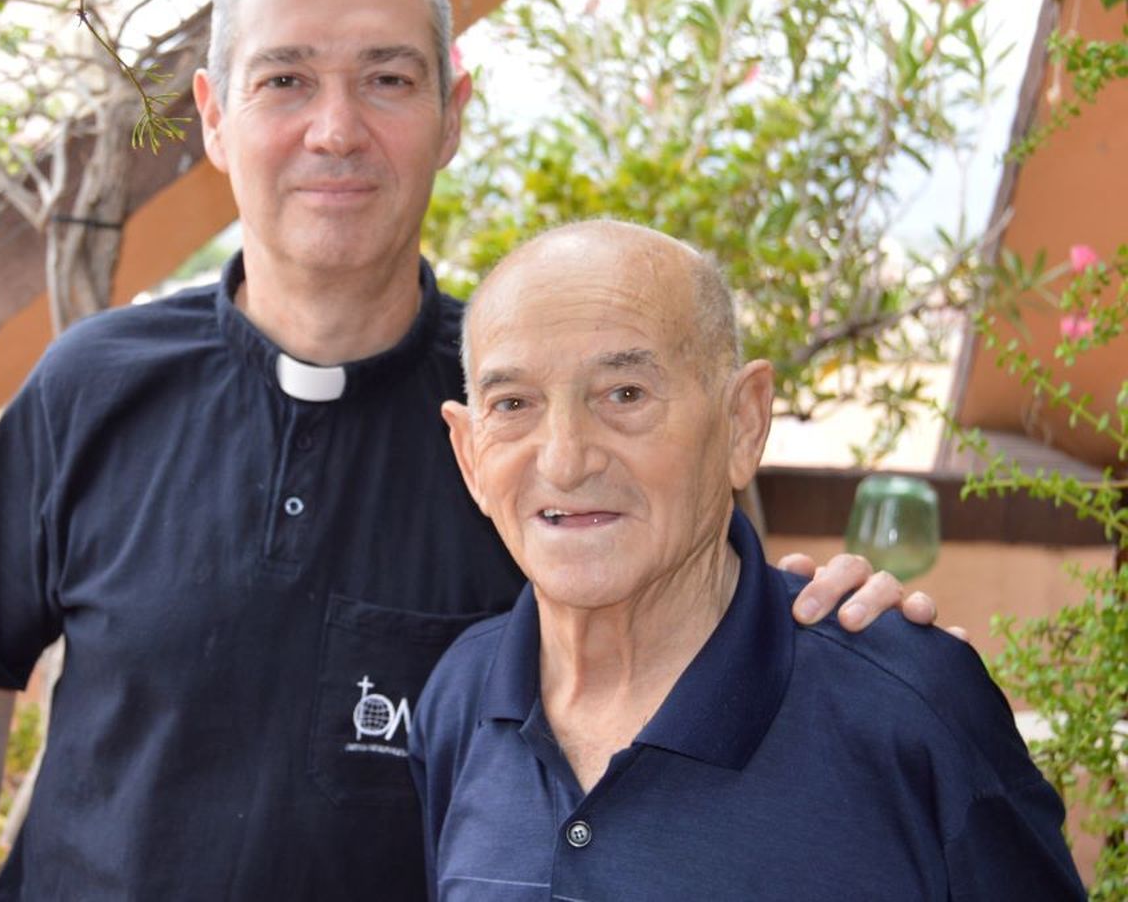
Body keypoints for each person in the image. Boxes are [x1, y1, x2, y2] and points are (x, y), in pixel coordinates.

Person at [0, 0, 938, 901]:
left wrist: (845, 631)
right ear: (214, 117)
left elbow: (718, 631)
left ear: (452, 114)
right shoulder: (90, 386)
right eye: (285, 79)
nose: (335, 129)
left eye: (387, 78)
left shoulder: (529, 424)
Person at [411, 219, 1084, 901]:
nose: (564, 458)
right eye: (513, 404)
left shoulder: (907, 714)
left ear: (742, 424)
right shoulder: (459, 698)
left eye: (624, 395)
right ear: (470, 455)